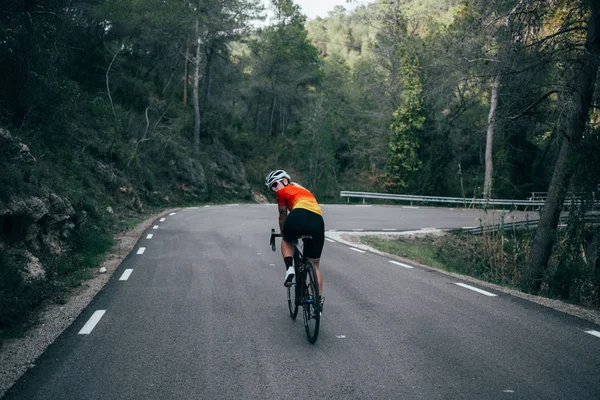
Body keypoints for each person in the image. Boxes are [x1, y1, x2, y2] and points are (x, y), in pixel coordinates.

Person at [265, 170, 325, 310]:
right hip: (317, 220)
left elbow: (282, 215)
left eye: (275, 185)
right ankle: (318, 302)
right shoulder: (304, 190)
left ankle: (290, 268)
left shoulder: (282, 192)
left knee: (286, 240)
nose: (274, 190)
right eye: (271, 188)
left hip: (297, 215)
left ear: (285, 181)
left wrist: (283, 231)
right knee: (314, 265)